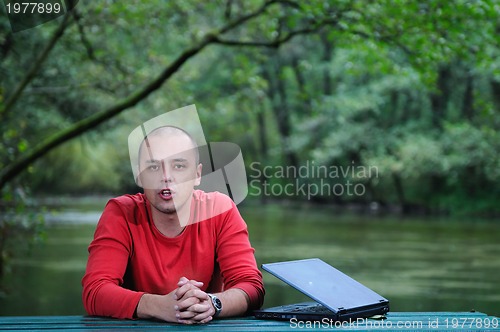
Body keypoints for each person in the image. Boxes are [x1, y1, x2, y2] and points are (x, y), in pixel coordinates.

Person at [82, 125, 264, 324]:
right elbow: (95, 291)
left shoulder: (220, 210)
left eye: (178, 166)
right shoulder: (121, 213)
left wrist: (212, 303)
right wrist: (159, 306)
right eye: (153, 167)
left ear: (197, 174)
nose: (166, 176)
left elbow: (251, 287)